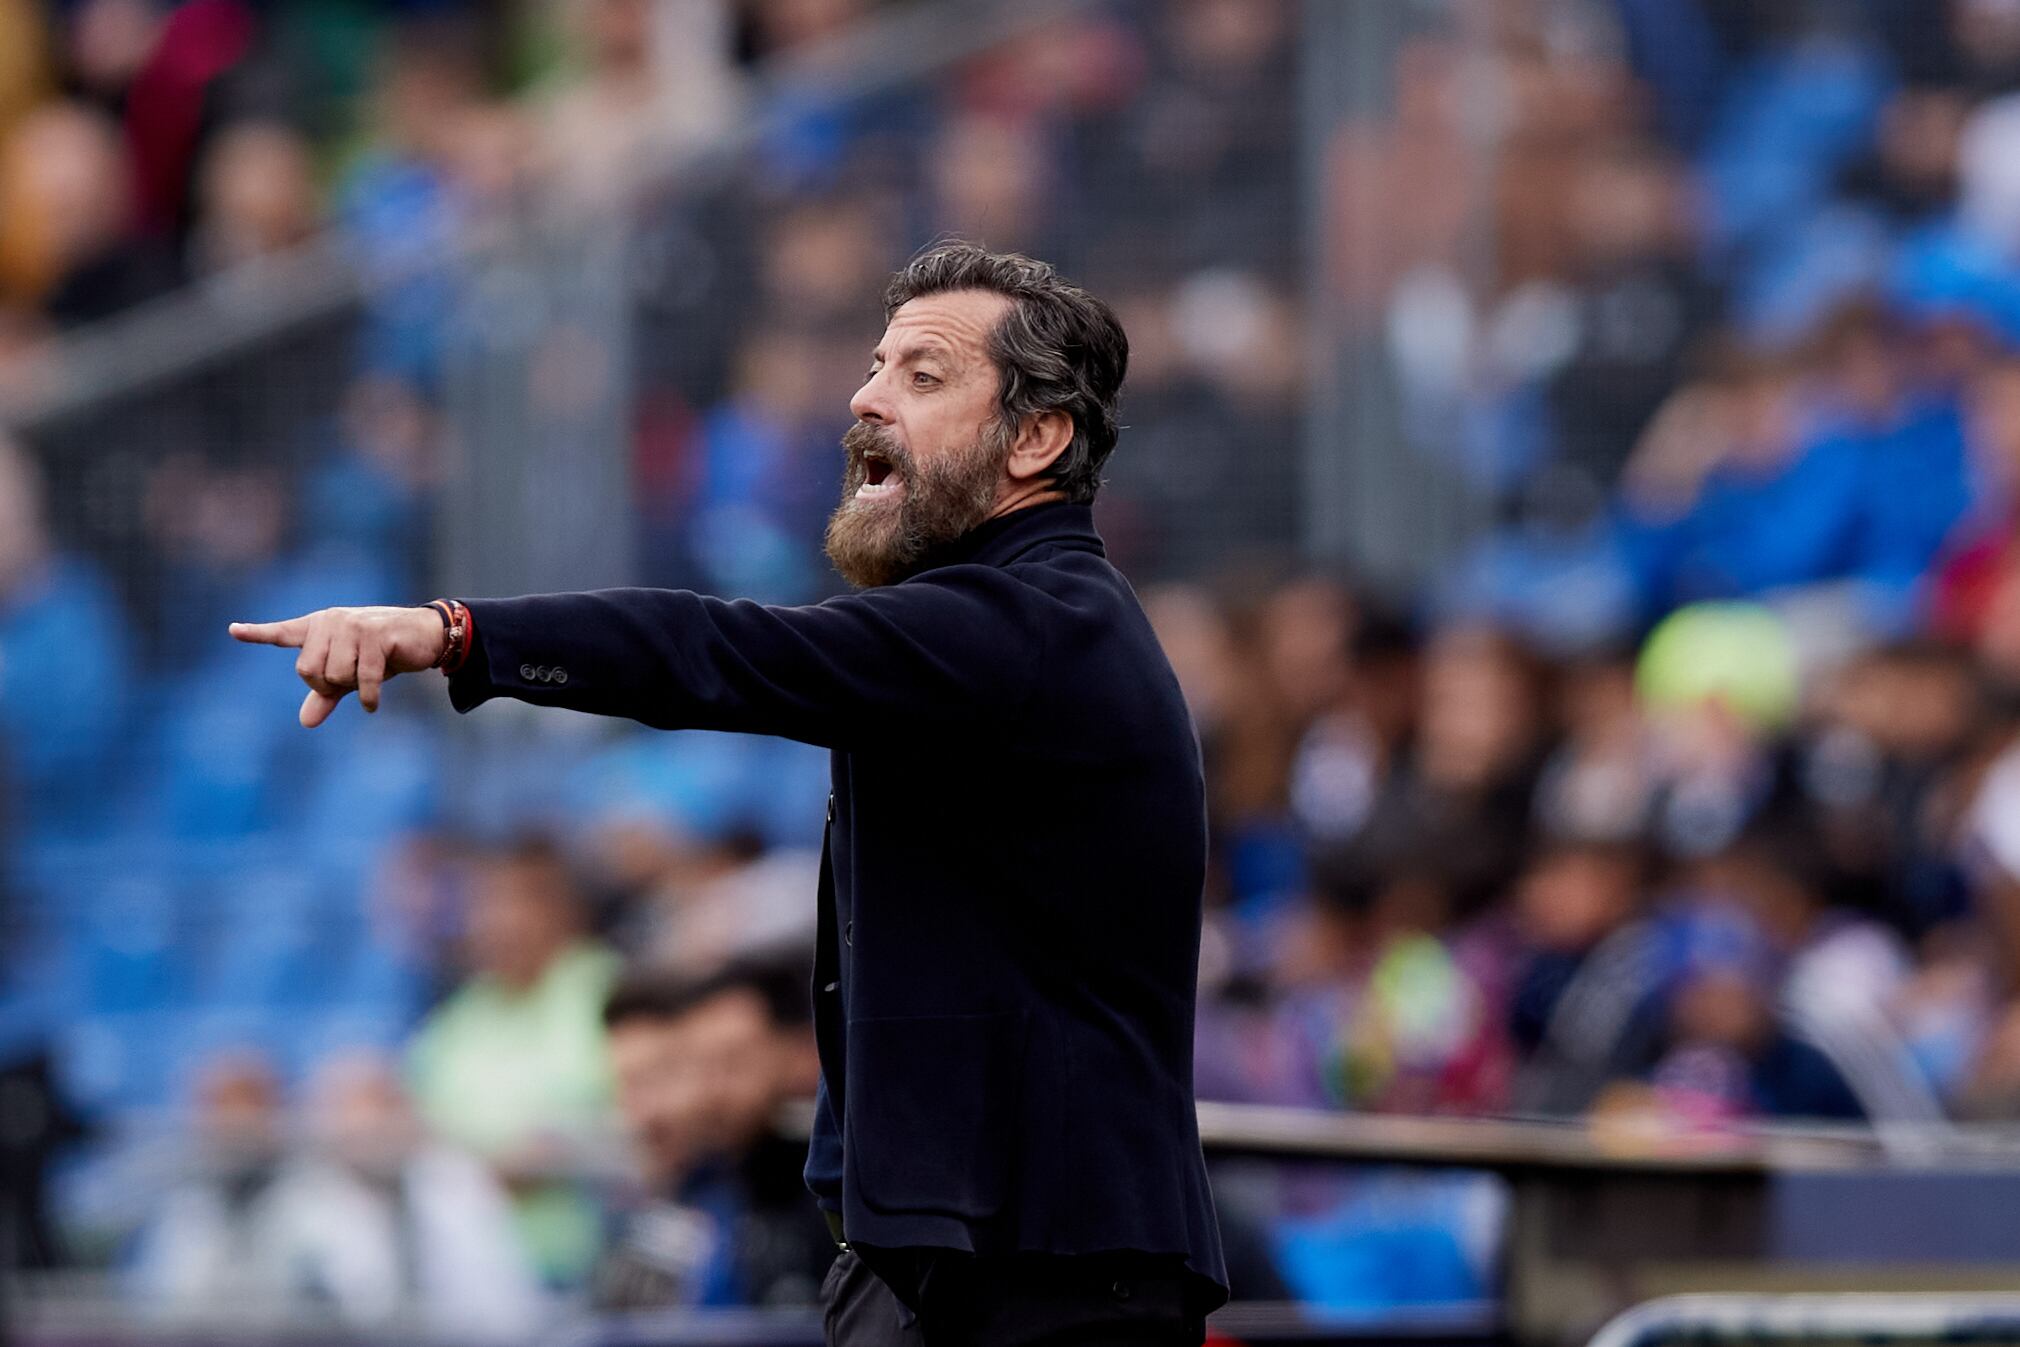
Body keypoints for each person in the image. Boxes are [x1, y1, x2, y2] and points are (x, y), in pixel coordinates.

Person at [231, 242, 1229, 1345]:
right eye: (875, 365)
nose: (865, 397)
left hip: (1053, 1271)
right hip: (945, 1256)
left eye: (923, 376)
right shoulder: (978, 631)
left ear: (1036, 437)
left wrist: (455, 633)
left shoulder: (1036, 625)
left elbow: (719, 647)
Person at [594, 958, 835, 1310]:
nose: (709, 1092)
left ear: (801, 1052)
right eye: (625, 1087)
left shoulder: (827, 1191)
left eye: (732, 1062)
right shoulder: (667, 1201)